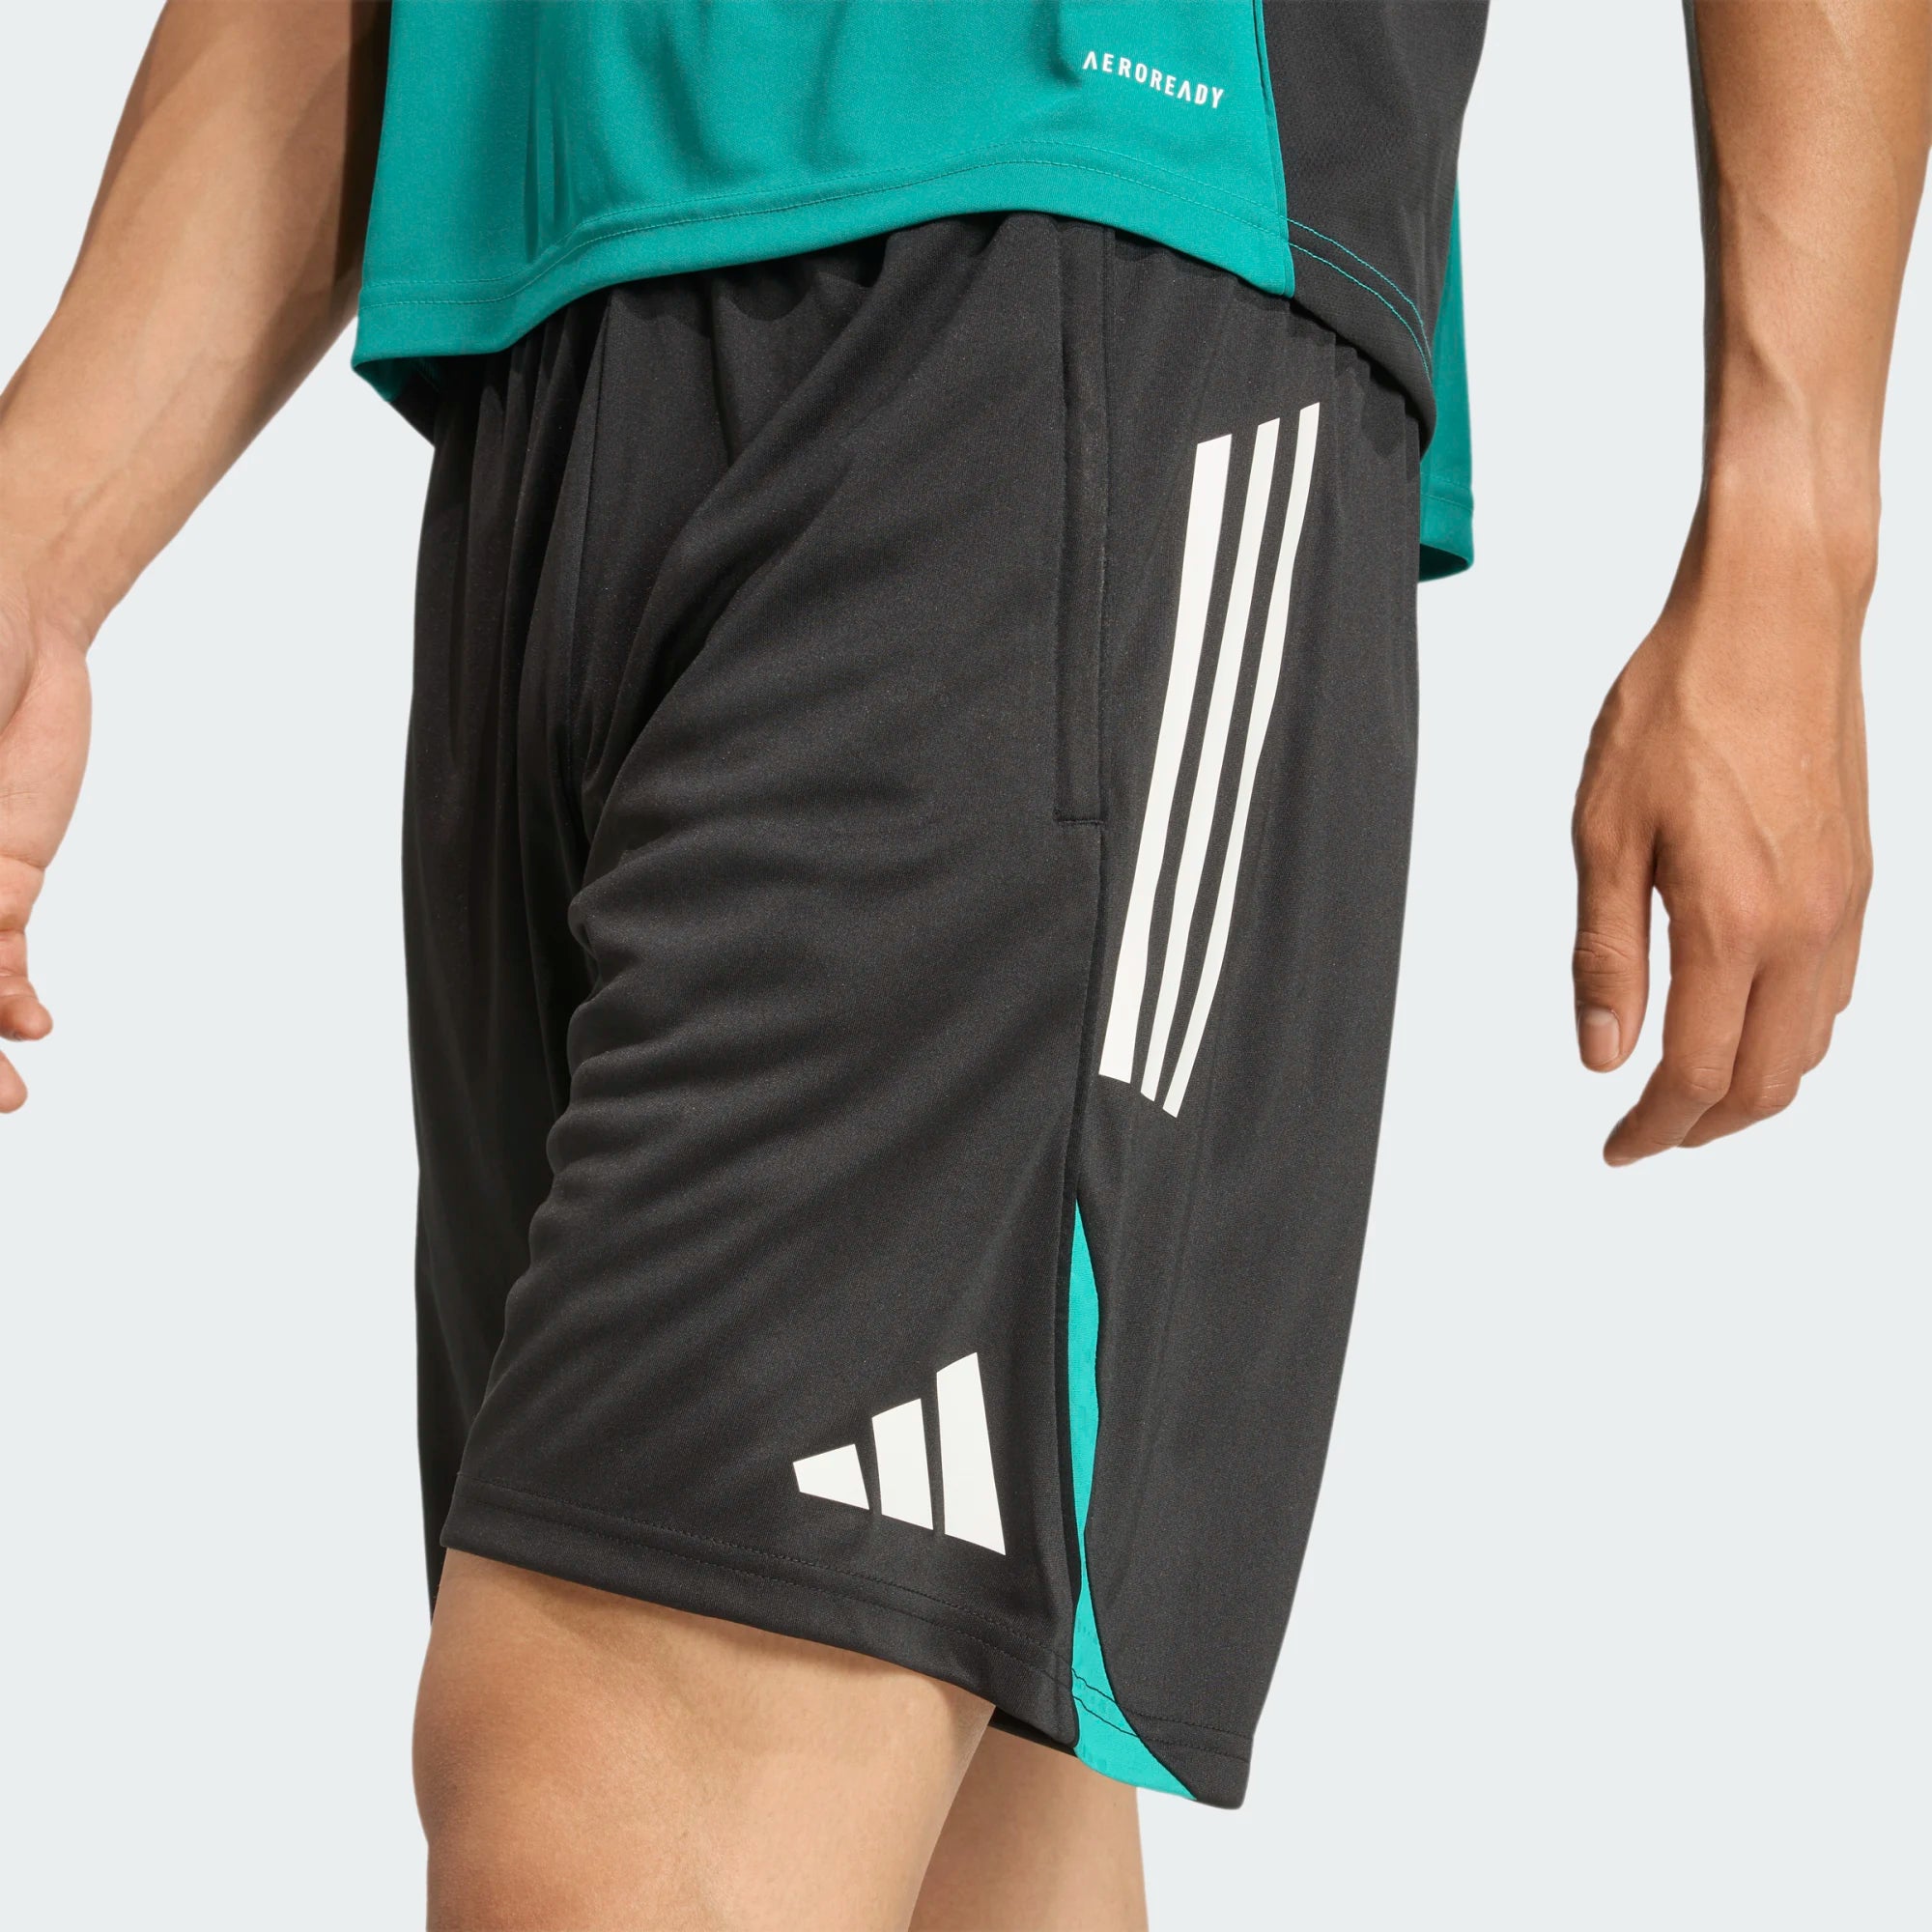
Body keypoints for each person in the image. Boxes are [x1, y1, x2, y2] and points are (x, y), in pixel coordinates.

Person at [0, 2, 1922, 1925]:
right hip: (555, 353)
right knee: (955, 1822)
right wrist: (33, 538)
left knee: (625, 1756)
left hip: (1071, 266)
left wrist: (1798, 522)